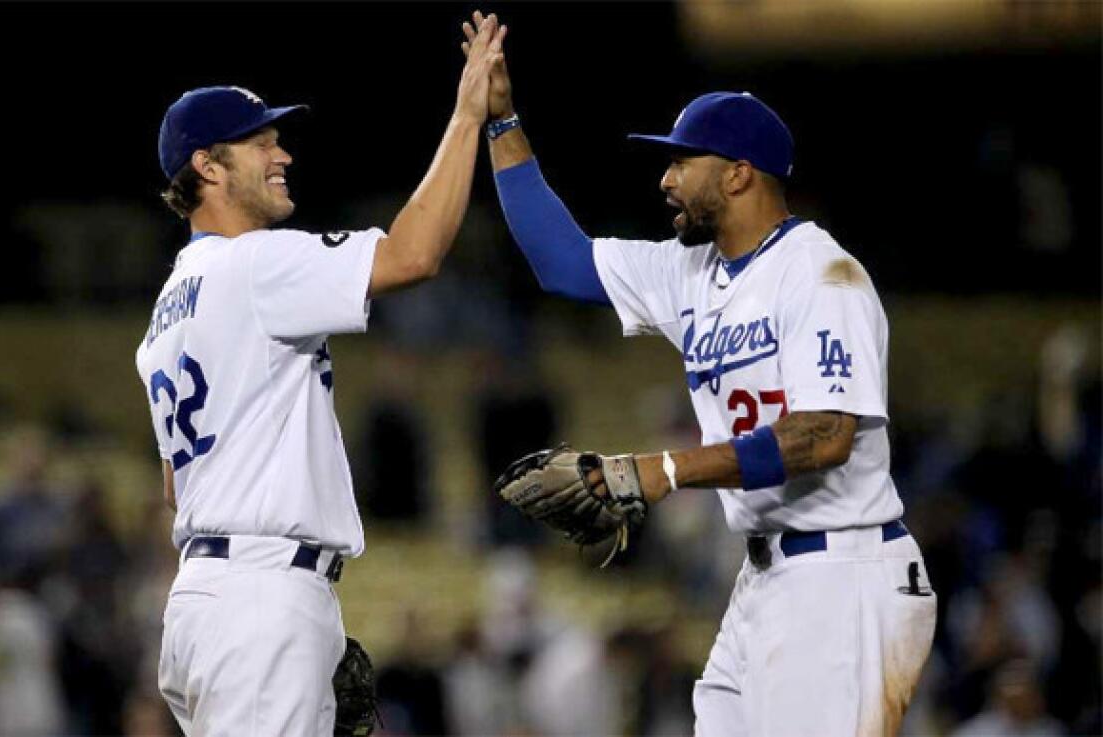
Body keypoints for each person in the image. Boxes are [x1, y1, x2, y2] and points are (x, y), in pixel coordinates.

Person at [462, 11, 938, 736]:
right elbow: (561, 261)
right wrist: (501, 123)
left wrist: (661, 470)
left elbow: (823, 434)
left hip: (842, 575)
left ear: (740, 174)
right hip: (765, 580)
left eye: (683, 161)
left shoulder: (822, 273)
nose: (666, 177)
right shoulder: (692, 272)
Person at [134, 14, 505, 734]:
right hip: (260, 600)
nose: (283, 155)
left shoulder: (166, 308)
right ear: (208, 165)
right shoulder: (253, 264)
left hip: (206, 600)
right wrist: (466, 116)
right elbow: (412, 255)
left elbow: (180, 484)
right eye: (261, 142)